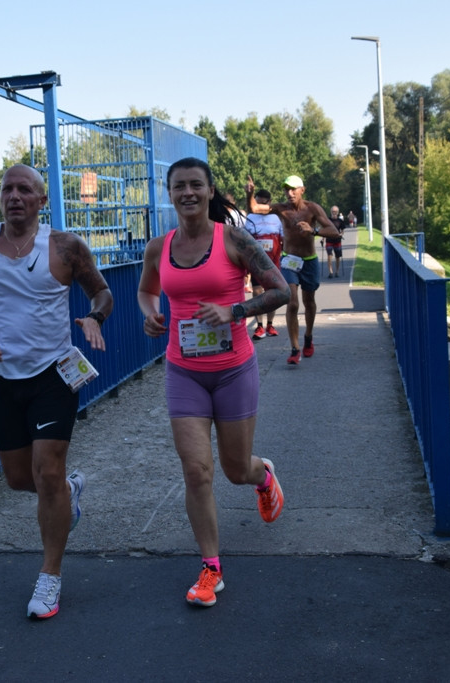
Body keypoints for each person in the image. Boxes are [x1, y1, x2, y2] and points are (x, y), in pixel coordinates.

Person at [0, 163, 113, 620]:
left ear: (41, 200)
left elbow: (102, 293)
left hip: (54, 374)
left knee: (47, 471)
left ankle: (50, 577)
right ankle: (68, 493)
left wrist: (95, 317)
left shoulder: (64, 247)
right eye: (7, 189)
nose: (14, 196)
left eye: (24, 189)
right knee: (21, 479)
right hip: (1, 377)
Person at [137, 157, 289, 608]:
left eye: (195, 185)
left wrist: (235, 310)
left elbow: (280, 289)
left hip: (233, 370)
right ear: (170, 192)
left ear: (209, 192)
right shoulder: (157, 248)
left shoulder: (235, 239)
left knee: (234, 469)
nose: (187, 192)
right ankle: (211, 568)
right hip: (184, 372)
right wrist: (151, 316)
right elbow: (146, 291)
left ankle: (263, 476)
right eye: (179, 186)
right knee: (196, 472)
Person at [245, 174, 332, 365]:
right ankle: (295, 348)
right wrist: (250, 193)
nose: (289, 193)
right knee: (292, 303)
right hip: (289, 260)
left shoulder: (312, 208)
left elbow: (333, 231)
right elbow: (254, 208)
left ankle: (308, 336)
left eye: (293, 189)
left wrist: (314, 231)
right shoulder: (280, 209)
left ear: (303, 190)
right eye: (286, 189)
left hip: (309, 260)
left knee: (309, 302)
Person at [243, 189, 284, 339]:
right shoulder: (250, 217)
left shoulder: (276, 218)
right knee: (258, 293)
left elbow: (283, 239)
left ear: (269, 203)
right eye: (258, 202)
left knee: (272, 293)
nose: (260, 205)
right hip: (256, 261)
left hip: (273, 262)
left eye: (263, 203)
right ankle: (259, 326)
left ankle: (270, 324)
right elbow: (245, 240)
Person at [324, 205, 347, 278]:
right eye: (333, 211)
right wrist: (322, 238)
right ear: (331, 212)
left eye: (335, 211)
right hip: (329, 240)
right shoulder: (327, 220)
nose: (334, 213)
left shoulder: (340, 221)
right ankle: (330, 271)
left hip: (337, 240)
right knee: (329, 256)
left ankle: (337, 271)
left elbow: (342, 231)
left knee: (337, 257)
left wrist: (340, 234)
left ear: (337, 212)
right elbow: (324, 230)